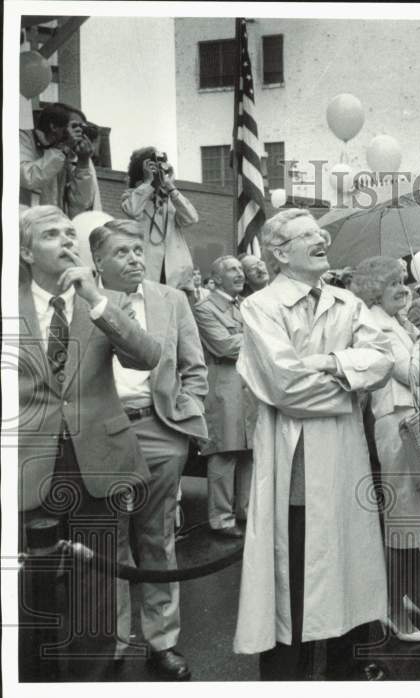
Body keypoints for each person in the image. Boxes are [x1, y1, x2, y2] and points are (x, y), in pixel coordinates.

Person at [234, 209, 393, 680]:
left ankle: (344, 672)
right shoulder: (261, 306)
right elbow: (286, 388)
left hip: (346, 457)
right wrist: (350, 380)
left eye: (319, 231)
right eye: (306, 234)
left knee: (347, 566)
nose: (320, 237)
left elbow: (383, 361)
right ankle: (289, 678)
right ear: (280, 253)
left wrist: (327, 362)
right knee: (297, 572)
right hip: (296, 462)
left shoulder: (349, 302)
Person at [17, 205, 160, 681]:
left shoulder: (101, 303)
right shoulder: (8, 302)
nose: (66, 241)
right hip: (26, 464)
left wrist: (98, 300)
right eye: (50, 234)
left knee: (95, 589)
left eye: (68, 233)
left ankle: (90, 683)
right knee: (30, 589)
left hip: (96, 462)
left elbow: (147, 357)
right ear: (24, 250)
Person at [90, 219, 208, 680]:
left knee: (157, 539)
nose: (135, 258)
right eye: (122, 252)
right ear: (97, 260)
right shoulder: (83, 301)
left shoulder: (171, 300)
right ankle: (115, 642)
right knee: (111, 541)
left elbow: (193, 366)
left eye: (138, 250)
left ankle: (163, 642)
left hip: (159, 428)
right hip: (103, 431)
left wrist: (186, 416)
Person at [350, 256, 420, 644]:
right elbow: (411, 372)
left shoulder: (398, 321)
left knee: (418, 521)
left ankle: (405, 597)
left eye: (404, 281)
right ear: (373, 291)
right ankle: (391, 609)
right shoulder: (373, 324)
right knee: (403, 524)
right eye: (394, 284)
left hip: (412, 422)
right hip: (395, 425)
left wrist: (418, 334)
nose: (404, 288)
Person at [192, 256, 253, 537]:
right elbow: (225, 347)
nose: (240, 273)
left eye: (241, 269)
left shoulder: (242, 306)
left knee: (247, 454)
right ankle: (221, 519)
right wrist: (260, 336)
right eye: (232, 269)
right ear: (214, 279)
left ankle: (246, 512)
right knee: (224, 454)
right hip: (223, 391)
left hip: (247, 390)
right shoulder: (205, 309)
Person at [121, 147, 199, 288]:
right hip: (150, 273)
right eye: (153, 166)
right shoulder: (132, 196)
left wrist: (170, 186)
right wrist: (148, 182)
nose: (158, 170)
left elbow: (191, 218)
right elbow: (133, 211)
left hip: (176, 274)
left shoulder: (171, 198)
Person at [20, 102, 100, 217]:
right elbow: (28, 177)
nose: (79, 133)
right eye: (75, 126)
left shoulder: (70, 154)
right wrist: (63, 149)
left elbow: (81, 204)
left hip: (53, 224)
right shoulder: (23, 139)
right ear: (54, 126)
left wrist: (83, 163)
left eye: (82, 128)